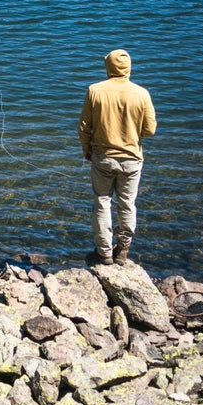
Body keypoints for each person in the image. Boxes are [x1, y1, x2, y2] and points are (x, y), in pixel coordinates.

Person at [78, 49, 156, 266]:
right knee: (127, 204)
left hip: (102, 158)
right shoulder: (142, 94)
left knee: (102, 203)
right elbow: (150, 131)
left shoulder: (95, 90)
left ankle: (104, 254)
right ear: (128, 67)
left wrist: (87, 149)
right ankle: (122, 251)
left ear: (108, 67)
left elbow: (84, 126)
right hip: (132, 159)